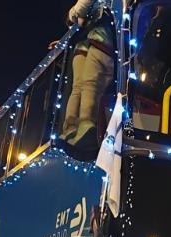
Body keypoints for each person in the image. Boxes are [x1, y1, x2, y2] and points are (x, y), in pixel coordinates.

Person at [61, 0, 115, 148]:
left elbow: (81, 9)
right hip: (98, 40)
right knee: (86, 85)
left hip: (98, 38)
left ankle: (79, 125)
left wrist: (72, 14)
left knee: (84, 85)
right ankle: (80, 125)